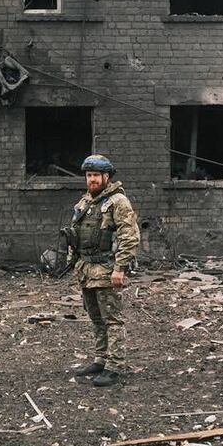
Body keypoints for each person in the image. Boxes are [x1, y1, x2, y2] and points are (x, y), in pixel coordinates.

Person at [66, 154, 139, 387]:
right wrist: (73, 262)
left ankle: (114, 366)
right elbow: (75, 235)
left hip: (107, 269)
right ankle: (101, 359)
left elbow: (129, 237)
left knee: (112, 320)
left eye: (96, 175)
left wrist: (120, 268)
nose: (92, 180)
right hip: (87, 270)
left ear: (106, 177)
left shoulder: (118, 202)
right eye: (89, 175)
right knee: (96, 318)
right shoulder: (85, 203)